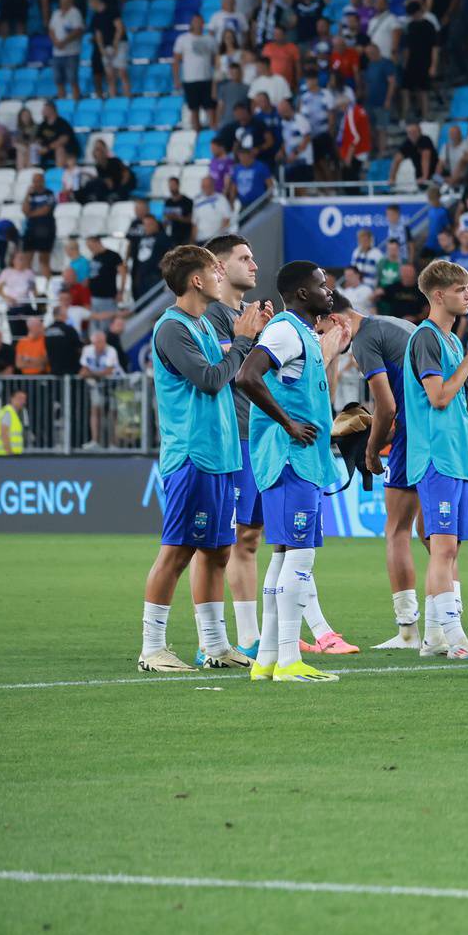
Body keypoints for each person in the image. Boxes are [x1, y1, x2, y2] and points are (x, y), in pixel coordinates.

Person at [138, 245, 267, 673]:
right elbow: (212, 380)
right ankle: (152, 647)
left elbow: (231, 372)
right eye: (214, 270)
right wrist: (245, 341)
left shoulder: (202, 326)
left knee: (218, 552)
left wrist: (250, 341)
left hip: (221, 455)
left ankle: (215, 645)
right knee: (177, 551)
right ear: (197, 280)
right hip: (192, 455)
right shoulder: (173, 328)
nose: (219, 276)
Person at [232, 261, 347, 682]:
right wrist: (287, 423)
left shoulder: (304, 336)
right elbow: (248, 375)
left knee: (283, 555)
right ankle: (288, 660)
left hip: (300, 459)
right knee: (300, 556)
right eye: (321, 286)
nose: (328, 291)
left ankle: (266, 660)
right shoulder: (284, 329)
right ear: (302, 293)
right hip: (288, 458)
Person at [198, 235, 296, 664]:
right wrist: (254, 341)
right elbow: (226, 368)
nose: (254, 265)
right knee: (222, 540)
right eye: (243, 258)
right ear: (218, 268)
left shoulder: (248, 315)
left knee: (250, 537)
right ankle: (216, 640)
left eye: (254, 257)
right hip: (228, 439)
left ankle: (249, 637)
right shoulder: (212, 315)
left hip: (253, 437)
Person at [402, 261, 468, 660]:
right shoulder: (426, 338)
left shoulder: (453, 342)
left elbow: (465, 402)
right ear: (439, 295)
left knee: (450, 550)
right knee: (442, 548)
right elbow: (438, 396)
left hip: (456, 456)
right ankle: (456, 637)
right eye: (462, 289)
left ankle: (433, 638)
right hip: (435, 456)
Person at [331, 291, 422, 647]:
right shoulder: (395, 324)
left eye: (323, 327)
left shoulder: (365, 339)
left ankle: (408, 630)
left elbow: (386, 405)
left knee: (397, 530)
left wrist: (371, 450)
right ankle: (448, 624)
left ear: (336, 320)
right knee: (435, 534)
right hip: (440, 429)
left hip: (412, 435)